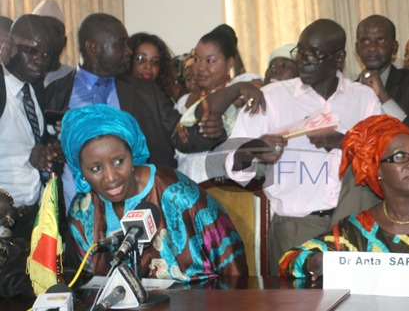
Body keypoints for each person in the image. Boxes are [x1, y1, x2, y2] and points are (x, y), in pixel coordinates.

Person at [224, 19, 381, 275]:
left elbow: (386, 155)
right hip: (296, 228)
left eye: (315, 54)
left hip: (355, 228)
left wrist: (342, 141)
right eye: (301, 52)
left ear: (339, 57)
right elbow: (231, 164)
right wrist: (254, 149)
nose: (304, 60)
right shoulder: (272, 98)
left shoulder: (363, 99)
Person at [45, 13, 224, 211]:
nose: (129, 51)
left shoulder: (145, 91)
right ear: (93, 48)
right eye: (121, 44)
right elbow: (41, 152)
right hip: (76, 211)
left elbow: (180, 136)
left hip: (143, 207)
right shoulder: (54, 92)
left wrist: (212, 131)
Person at [280, 115, 409, 278]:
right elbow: (289, 260)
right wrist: (318, 261)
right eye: (400, 157)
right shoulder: (356, 229)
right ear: (377, 169)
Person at [61, 104, 248, 281]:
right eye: (95, 169)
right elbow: (87, 285)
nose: (110, 177)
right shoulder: (82, 212)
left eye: (119, 161)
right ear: (80, 172)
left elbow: (233, 269)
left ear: (133, 153)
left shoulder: (179, 195)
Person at [0, 14, 64, 240]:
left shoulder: (34, 87)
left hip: (33, 214)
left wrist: (49, 148)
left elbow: (27, 141)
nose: (40, 60)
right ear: (8, 47)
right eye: (31, 51)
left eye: (46, 53)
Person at [175, 24, 264, 183]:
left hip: (230, 184)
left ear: (229, 63)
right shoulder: (184, 101)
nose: (200, 67)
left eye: (210, 61)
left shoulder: (243, 84)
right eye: (196, 59)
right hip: (189, 183)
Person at [355, 15, 409, 157]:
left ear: (394, 48)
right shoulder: (350, 91)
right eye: (366, 41)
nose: (372, 48)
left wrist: (384, 98)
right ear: (357, 48)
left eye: (381, 40)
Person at [32, 0, 74, 88]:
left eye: (55, 32)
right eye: (41, 30)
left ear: (64, 42)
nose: (47, 38)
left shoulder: (74, 79)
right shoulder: (17, 79)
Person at [127, 32, 174, 99]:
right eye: (140, 59)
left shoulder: (164, 101)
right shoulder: (115, 97)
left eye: (155, 62)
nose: (148, 66)